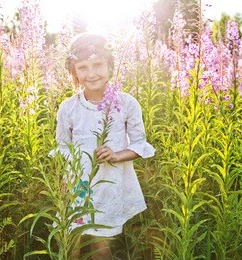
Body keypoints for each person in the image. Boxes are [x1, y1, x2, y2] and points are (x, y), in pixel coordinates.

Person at [54, 32, 155, 259]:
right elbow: (62, 146)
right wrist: (64, 182)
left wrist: (117, 155)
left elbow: (140, 143)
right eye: (82, 68)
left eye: (98, 64)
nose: (91, 74)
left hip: (110, 185)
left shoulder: (127, 103)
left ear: (110, 65)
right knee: (71, 242)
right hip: (78, 185)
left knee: (102, 247)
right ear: (74, 73)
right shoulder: (68, 107)